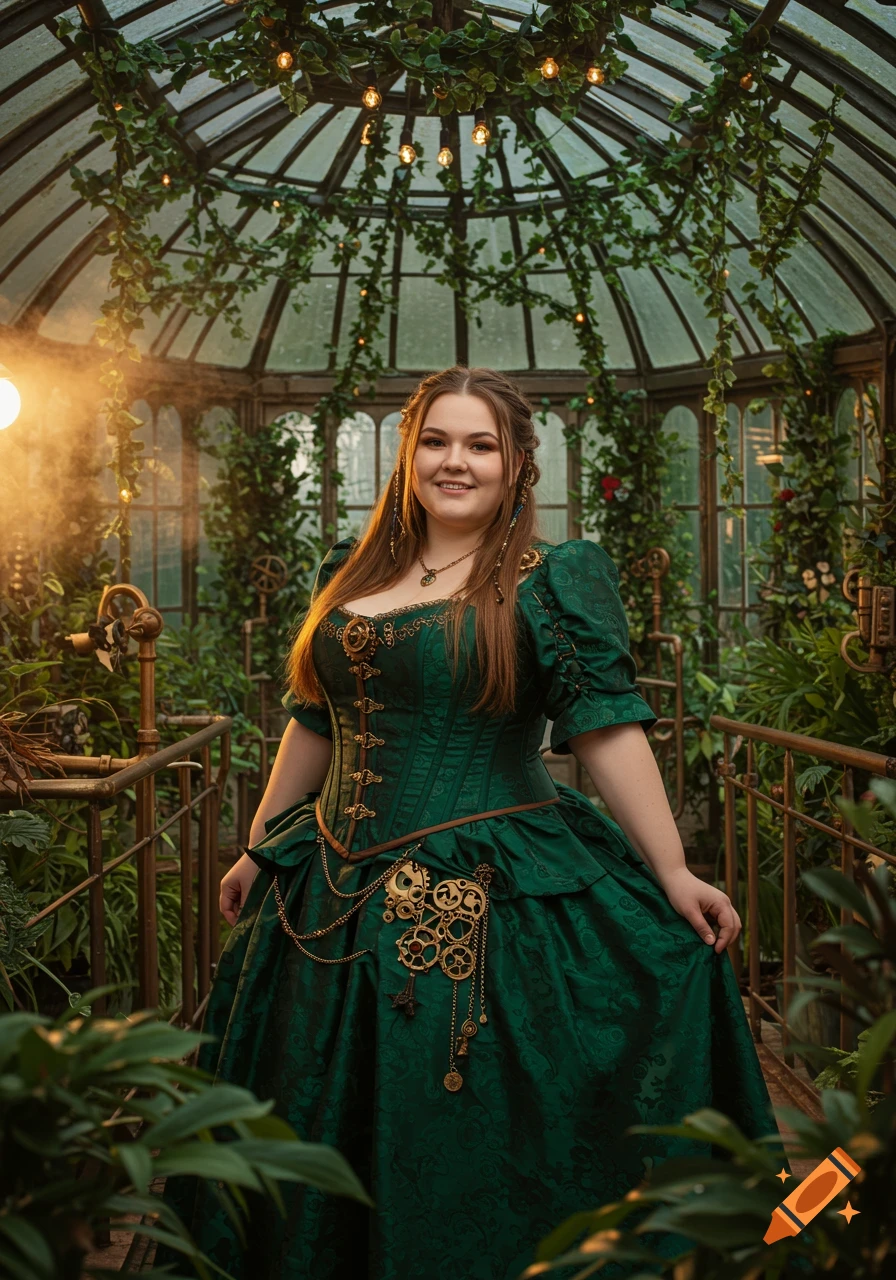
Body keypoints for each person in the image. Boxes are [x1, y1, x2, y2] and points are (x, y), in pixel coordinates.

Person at [162, 366, 784, 1279]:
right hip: (324, 887)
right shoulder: (355, 568)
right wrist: (265, 839)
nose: (456, 462)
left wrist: (673, 870)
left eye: (481, 445)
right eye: (438, 441)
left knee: (462, 1129)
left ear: (518, 463)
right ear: (410, 454)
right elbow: (316, 719)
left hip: (488, 884)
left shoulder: (547, 580)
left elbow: (605, 728)